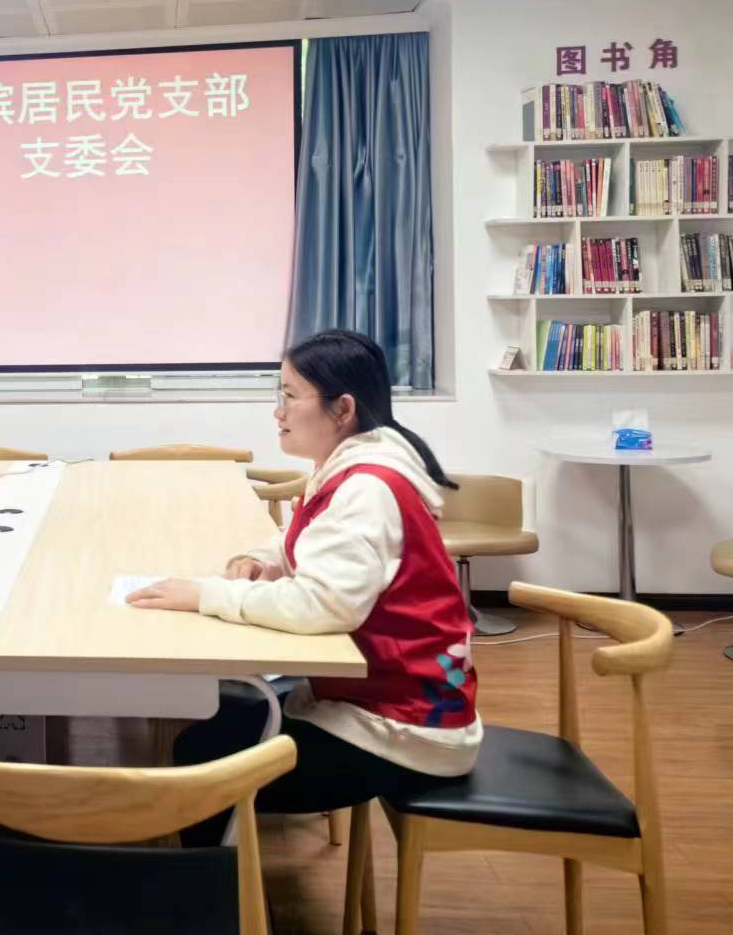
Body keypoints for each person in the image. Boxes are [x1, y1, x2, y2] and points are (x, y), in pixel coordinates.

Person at [129, 329, 479, 846]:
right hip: (391, 701)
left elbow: (321, 605)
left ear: (343, 409)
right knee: (222, 711)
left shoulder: (367, 488)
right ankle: (217, 872)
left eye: (291, 396)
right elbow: (307, 538)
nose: (278, 412)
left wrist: (208, 596)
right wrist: (262, 560)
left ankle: (218, 890)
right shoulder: (353, 465)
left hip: (405, 731)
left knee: (202, 758)